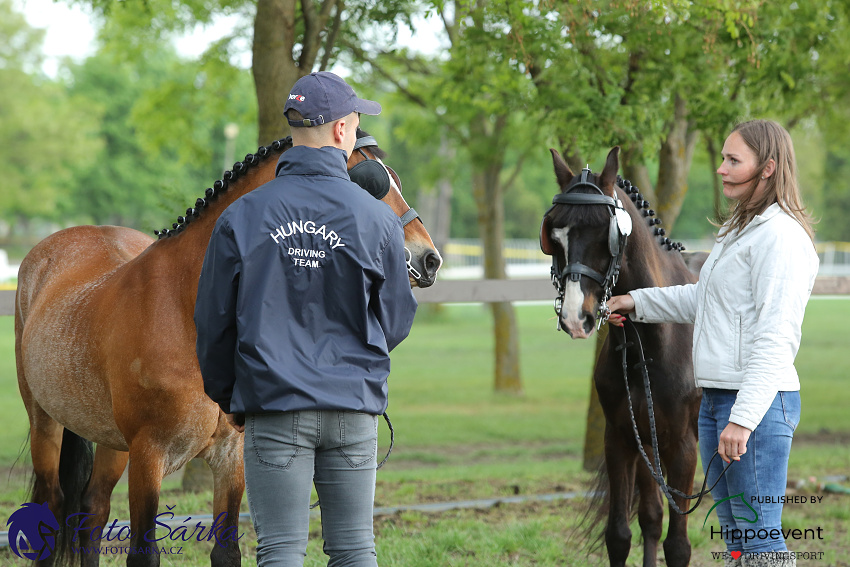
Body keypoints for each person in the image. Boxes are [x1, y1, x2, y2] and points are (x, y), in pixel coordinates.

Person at [194, 71, 418, 566]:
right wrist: (355, 363)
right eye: (357, 122)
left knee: (279, 551)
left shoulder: (241, 216)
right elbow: (397, 319)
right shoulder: (378, 219)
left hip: (273, 406)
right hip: (354, 408)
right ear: (341, 131)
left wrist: (231, 397)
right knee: (356, 549)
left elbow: (212, 323)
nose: (357, 132)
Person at [606, 120, 818, 567]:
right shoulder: (737, 231)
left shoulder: (781, 238)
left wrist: (742, 420)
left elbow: (776, 339)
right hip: (718, 401)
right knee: (738, 539)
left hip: (755, 407)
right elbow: (701, 298)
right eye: (722, 158)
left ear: (768, 169)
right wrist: (634, 300)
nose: (721, 169)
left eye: (733, 160)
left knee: (760, 542)